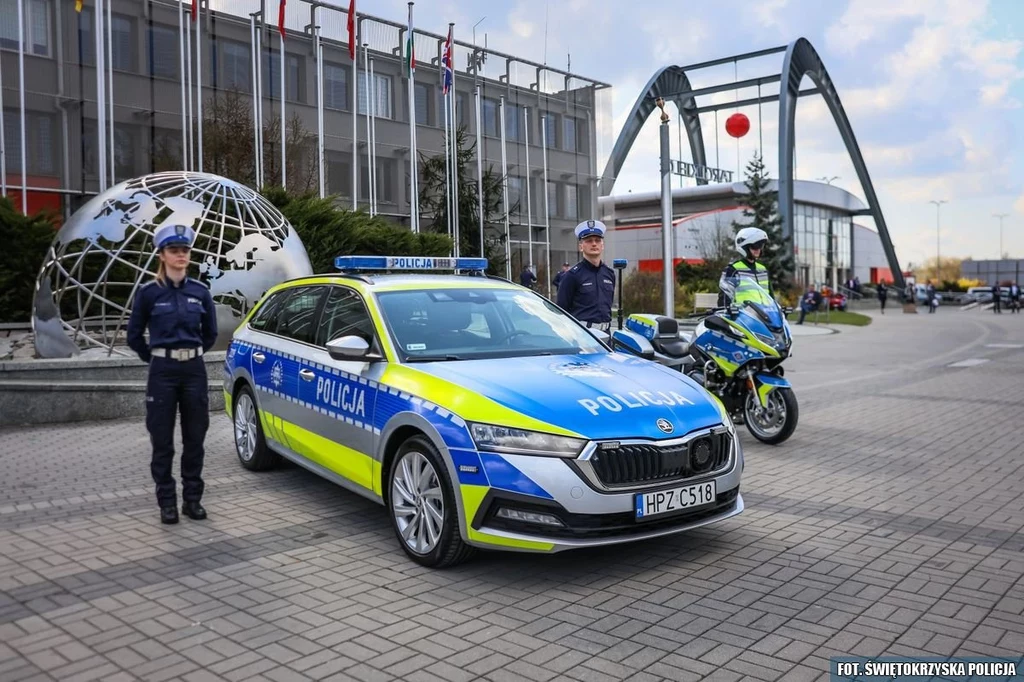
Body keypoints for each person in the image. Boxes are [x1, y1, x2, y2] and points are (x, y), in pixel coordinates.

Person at [127, 223, 218, 525]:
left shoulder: (200, 292)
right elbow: (134, 336)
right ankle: (167, 502)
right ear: (162, 255)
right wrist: (156, 358)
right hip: (162, 372)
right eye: (173, 250)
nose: (180, 255)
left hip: (194, 370)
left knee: (195, 438)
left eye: (184, 250)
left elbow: (210, 334)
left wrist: (189, 355)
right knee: (162, 440)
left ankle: (193, 500)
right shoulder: (149, 293)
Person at [556, 220, 617, 331]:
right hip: (583, 335)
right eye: (589, 241)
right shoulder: (572, 275)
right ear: (581, 247)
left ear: (602, 245)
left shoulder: (609, 274)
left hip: (606, 336)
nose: (594, 244)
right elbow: (562, 310)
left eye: (597, 240)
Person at [719, 227, 773, 307]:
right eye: (754, 246)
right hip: (743, 317)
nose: (758, 249)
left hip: (765, 316)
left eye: (760, 246)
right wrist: (727, 312)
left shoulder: (763, 270)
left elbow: (771, 297)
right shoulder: (733, 269)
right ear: (745, 247)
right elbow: (724, 298)